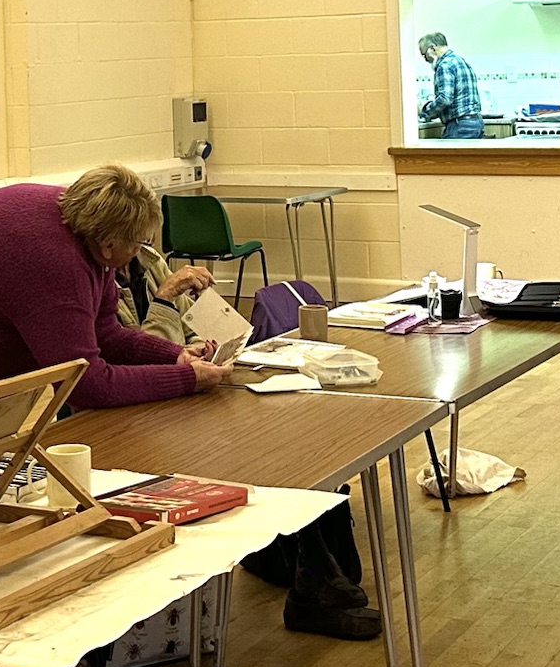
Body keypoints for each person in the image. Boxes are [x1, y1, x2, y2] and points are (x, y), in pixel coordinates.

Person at [107, 249, 376, 638]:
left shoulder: (146, 261)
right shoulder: (99, 280)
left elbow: (188, 332)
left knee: (286, 433)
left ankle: (312, 568)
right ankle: (311, 577)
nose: (140, 245)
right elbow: (140, 362)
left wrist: (203, 348)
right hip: (138, 416)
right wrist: (164, 300)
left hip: (185, 396)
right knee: (256, 448)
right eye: (133, 238)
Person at [0, 164, 231, 409]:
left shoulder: (90, 230)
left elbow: (107, 335)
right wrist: (186, 379)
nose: (139, 252)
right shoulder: (54, 264)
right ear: (108, 244)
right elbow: (84, 384)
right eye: (136, 244)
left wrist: (174, 356)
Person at [416, 32, 483, 139]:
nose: (425, 60)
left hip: (460, 125)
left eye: (424, 54)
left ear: (432, 48)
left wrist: (424, 111)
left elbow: (445, 99)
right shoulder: (460, 61)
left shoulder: (444, 65)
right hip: (475, 122)